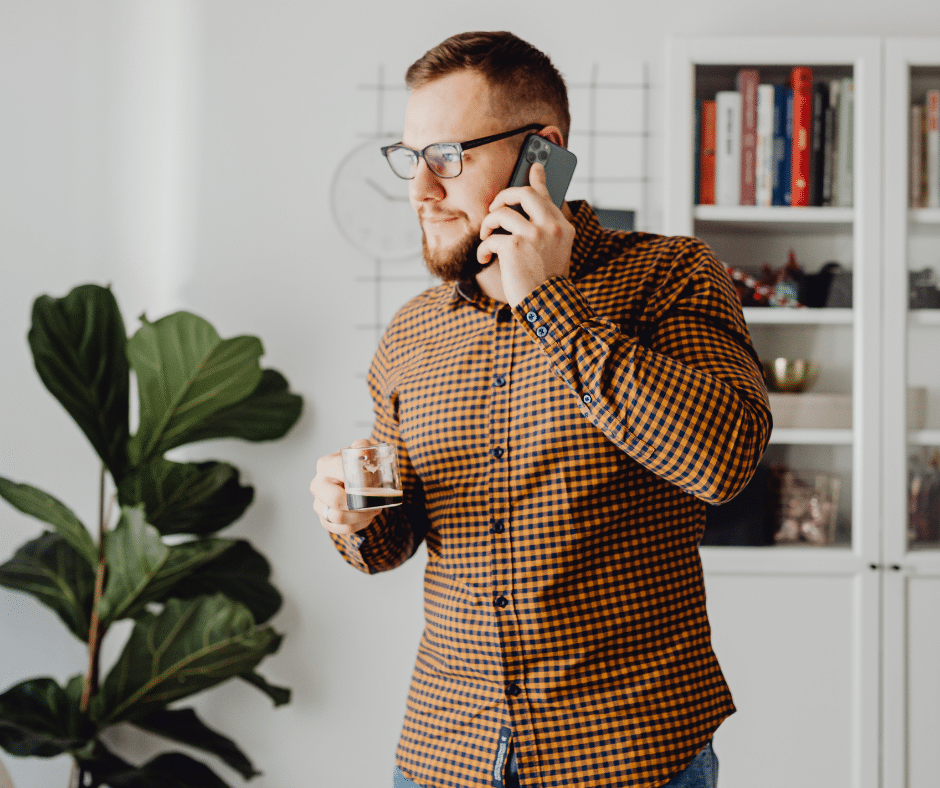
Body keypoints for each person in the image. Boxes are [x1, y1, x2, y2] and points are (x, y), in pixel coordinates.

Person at [311, 30, 772, 788]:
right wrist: (352, 518)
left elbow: (723, 462)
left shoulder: (669, 274)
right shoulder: (412, 333)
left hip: (628, 756)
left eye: (446, 158)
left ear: (540, 152)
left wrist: (548, 303)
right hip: (445, 754)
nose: (420, 190)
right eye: (407, 158)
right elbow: (396, 540)